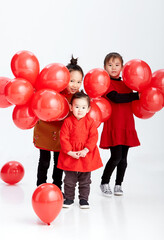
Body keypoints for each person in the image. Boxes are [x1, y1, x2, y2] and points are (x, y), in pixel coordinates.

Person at [33, 56, 84, 189]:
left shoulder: (78, 97)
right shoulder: (53, 90)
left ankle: (57, 187)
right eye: (72, 81)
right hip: (45, 129)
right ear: (64, 79)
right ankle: (41, 186)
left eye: (79, 82)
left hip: (62, 134)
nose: (75, 85)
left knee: (58, 162)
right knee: (44, 161)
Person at [99, 52, 140, 197]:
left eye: (117, 65)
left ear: (122, 67)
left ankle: (118, 184)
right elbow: (116, 98)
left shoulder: (127, 84)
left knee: (123, 159)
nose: (113, 68)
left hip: (127, 125)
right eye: (110, 65)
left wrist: (140, 94)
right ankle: (104, 182)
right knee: (115, 157)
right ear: (104, 67)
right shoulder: (106, 84)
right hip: (114, 125)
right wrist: (136, 95)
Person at [57, 91, 103, 209]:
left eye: (83, 107)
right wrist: (70, 152)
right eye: (77, 107)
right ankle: (69, 198)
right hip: (70, 154)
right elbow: (63, 137)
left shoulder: (90, 122)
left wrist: (86, 150)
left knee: (85, 180)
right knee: (69, 180)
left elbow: (93, 137)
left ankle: (83, 199)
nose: (80, 110)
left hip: (85, 154)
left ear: (88, 109)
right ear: (71, 107)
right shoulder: (67, 122)